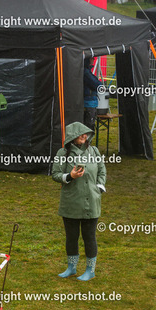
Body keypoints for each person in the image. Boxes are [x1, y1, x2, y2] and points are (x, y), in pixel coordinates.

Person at [51, 122, 107, 281]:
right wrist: (70, 176)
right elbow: (55, 174)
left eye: (85, 133)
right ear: (72, 136)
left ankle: (90, 270)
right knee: (71, 236)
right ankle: (71, 267)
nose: (84, 136)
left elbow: (102, 170)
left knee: (89, 236)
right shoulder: (63, 153)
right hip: (71, 202)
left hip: (91, 201)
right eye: (80, 134)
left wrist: (99, 188)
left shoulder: (94, 151)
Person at [83, 57, 103, 130]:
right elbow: (96, 84)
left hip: (90, 101)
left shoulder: (87, 71)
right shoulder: (86, 72)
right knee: (89, 126)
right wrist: (99, 84)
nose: (93, 60)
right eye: (92, 58)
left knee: (89, 124)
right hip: (88, 102)